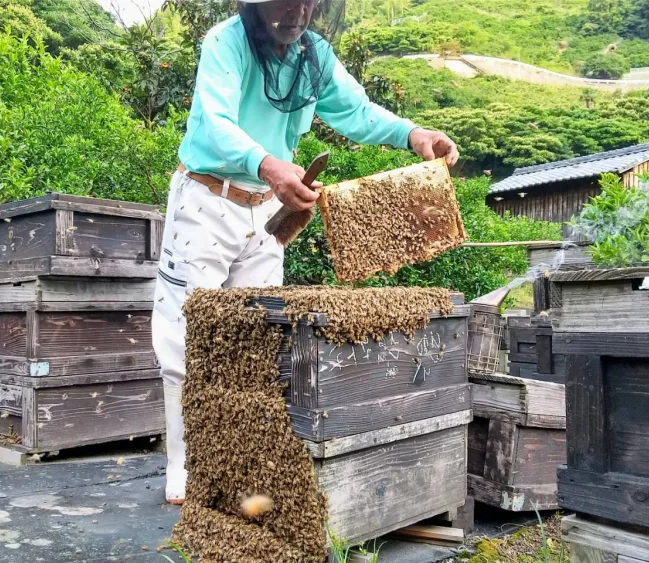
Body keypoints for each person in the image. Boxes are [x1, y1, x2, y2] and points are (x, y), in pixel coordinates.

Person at [151, 0, 460, 505]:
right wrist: (271, 164)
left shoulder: (314, 55)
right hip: (206, 200)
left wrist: (413, 133)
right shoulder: (224, 43)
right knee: (187, 337)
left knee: (255, 340)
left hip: (266, 212)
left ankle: (236, 464)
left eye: (308, 1)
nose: (298, 11)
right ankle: (184, 467)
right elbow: (214, 122)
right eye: (286, 0)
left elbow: (356, 112)